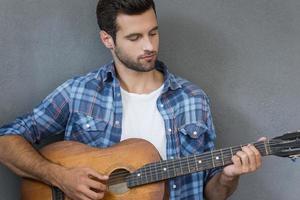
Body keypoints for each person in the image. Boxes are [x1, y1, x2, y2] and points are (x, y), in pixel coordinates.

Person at [0, 0, 263, 199]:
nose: (149, 46)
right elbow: (5, 140)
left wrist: (228, 177)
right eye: (135, 37)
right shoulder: (79, 92)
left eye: (153, 32)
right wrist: (59, 176)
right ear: (108, 39)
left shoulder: (193, 99)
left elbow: (211, 193)